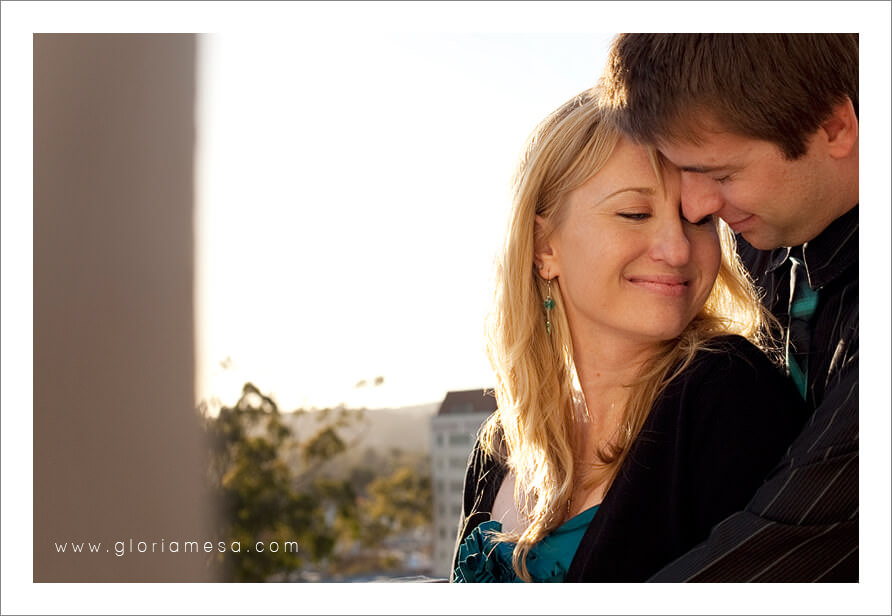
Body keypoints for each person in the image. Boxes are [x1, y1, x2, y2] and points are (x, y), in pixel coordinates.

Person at [450, 91, 807, 583]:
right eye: (635, 214)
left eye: (697, 220)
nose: (678, 248)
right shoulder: (501, 444)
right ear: (543, 246)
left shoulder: (728, 396)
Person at [596, 33, 858, 581]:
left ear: (835, 128)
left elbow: (796, 539)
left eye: (720, 175)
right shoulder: (769, 236)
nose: (697, 207)